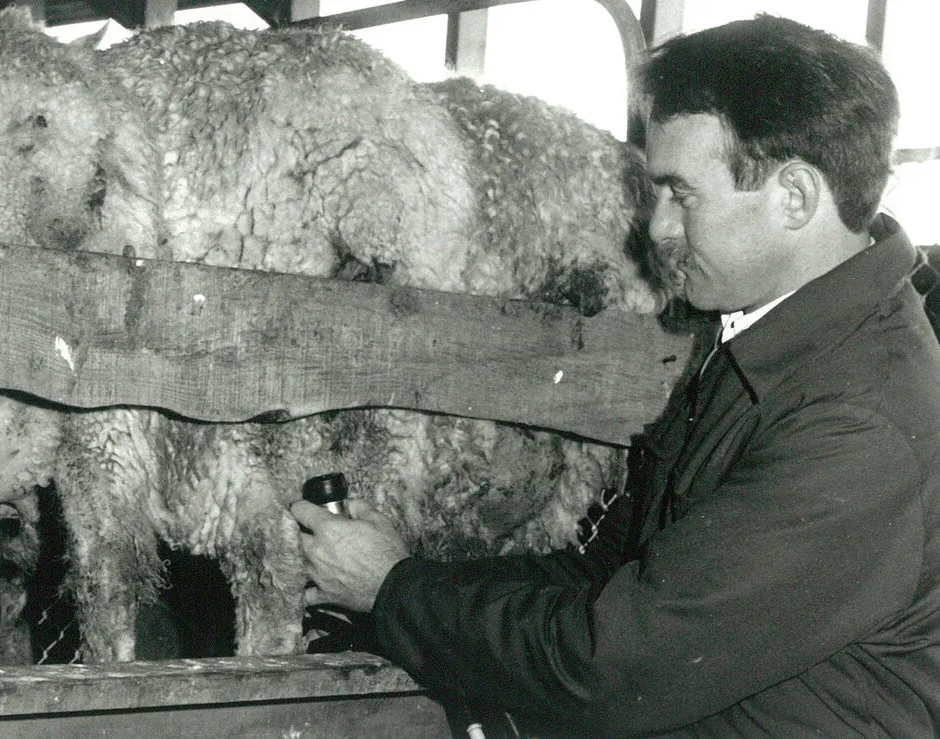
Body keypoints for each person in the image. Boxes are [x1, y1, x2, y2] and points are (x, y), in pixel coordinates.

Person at [290, 14, 940, 736]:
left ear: (793, 197)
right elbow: (608, 573)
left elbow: (612, 667)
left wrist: (392, 591)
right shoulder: (766, 343)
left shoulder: (855, 419)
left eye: (680, 193)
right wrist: (407, 573)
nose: (657, 227)